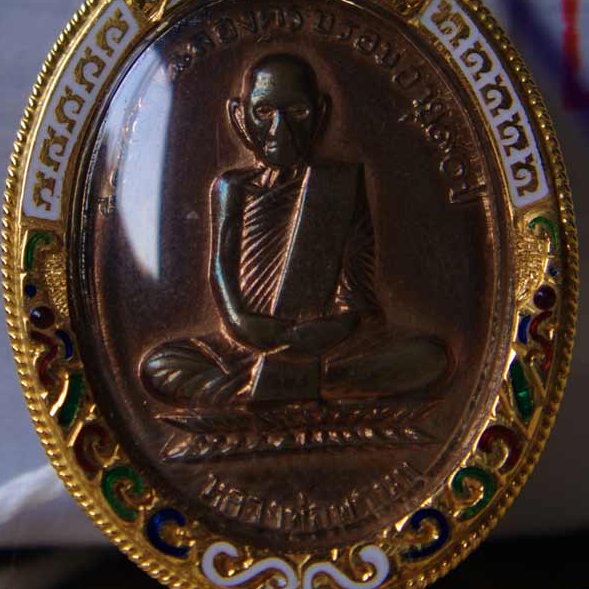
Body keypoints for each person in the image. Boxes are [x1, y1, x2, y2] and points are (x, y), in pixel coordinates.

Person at [142, 54, 449, 407]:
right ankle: (311, 384)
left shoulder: (339, 185)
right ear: (239, 117)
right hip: (247, 344)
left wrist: (332, 329)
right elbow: (221, 270)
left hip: (325, 344)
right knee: (160, 366)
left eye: (297, 112)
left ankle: (274, 385)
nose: (280, 131)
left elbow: (356, 288)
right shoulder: (231, 188)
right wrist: (240, 322)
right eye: (263, 112)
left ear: (321, 114)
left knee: (429, 357)